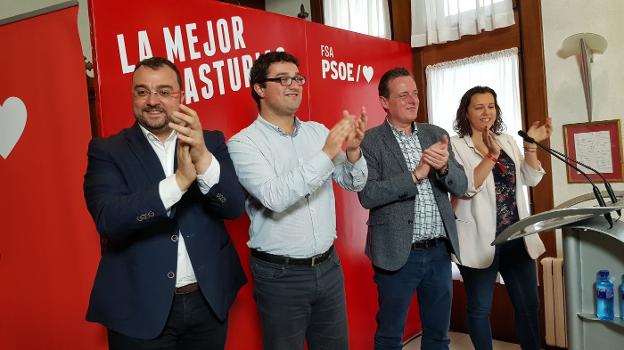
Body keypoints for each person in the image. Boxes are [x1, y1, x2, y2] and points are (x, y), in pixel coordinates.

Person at [83, 56, 247, 349]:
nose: (152, 100)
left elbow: (233, 207)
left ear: (181, 96)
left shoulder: (210, 141)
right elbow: (109, 219)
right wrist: (180, 182)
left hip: (208, 302)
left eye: (164, 91)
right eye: (142, 91)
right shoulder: (107, 150)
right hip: (139, 308)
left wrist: (203, 159)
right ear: (133, 95)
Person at [227, 51, 368, 350]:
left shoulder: (317, 132)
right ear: (259, 89)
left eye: (298, 78)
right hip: (280, 275)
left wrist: (353, 152)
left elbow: (353, 181)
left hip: (329, 267)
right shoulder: (243, 144)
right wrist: (327, 154)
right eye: (283, 79)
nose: (294, 85)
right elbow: (275, 197)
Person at [357, 67, 468, 350]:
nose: (412, 100)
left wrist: (443, 167)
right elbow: (368, 195)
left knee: (438, 335)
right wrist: (415, 175)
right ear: (384, 102)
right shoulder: (369, 141)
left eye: (415, 93)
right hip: (396, 253)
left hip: (439, 252)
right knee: (390, 336)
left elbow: (461, 185)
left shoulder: (436, 134)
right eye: (403, 94)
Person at [449, 86, 552, 350]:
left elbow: (531, 178)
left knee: (529, 305)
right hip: (478, 241)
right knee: (480, 308)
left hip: (516, 237)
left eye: (491, 106)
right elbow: (466, 187)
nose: (486, 112)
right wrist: (491, 156)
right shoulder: (457, 146)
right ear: (466, 112)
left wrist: (530, 146)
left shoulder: (506, 140)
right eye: (479, 107)